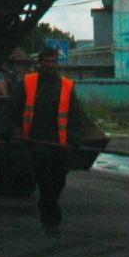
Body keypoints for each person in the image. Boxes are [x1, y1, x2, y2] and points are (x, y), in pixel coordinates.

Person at [12, 43, 86, 233]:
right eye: (47, 61)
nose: (50, 65)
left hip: (59, 145)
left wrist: (76, 138)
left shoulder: (66, 86)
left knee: (59, 179)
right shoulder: (29, 82)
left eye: (53, 61)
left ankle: (48, 204)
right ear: (41, 63)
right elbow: (15, 106)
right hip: (37, 143)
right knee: (45, 181)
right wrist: (13, 128)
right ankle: (50, 217)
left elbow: (76, 114)